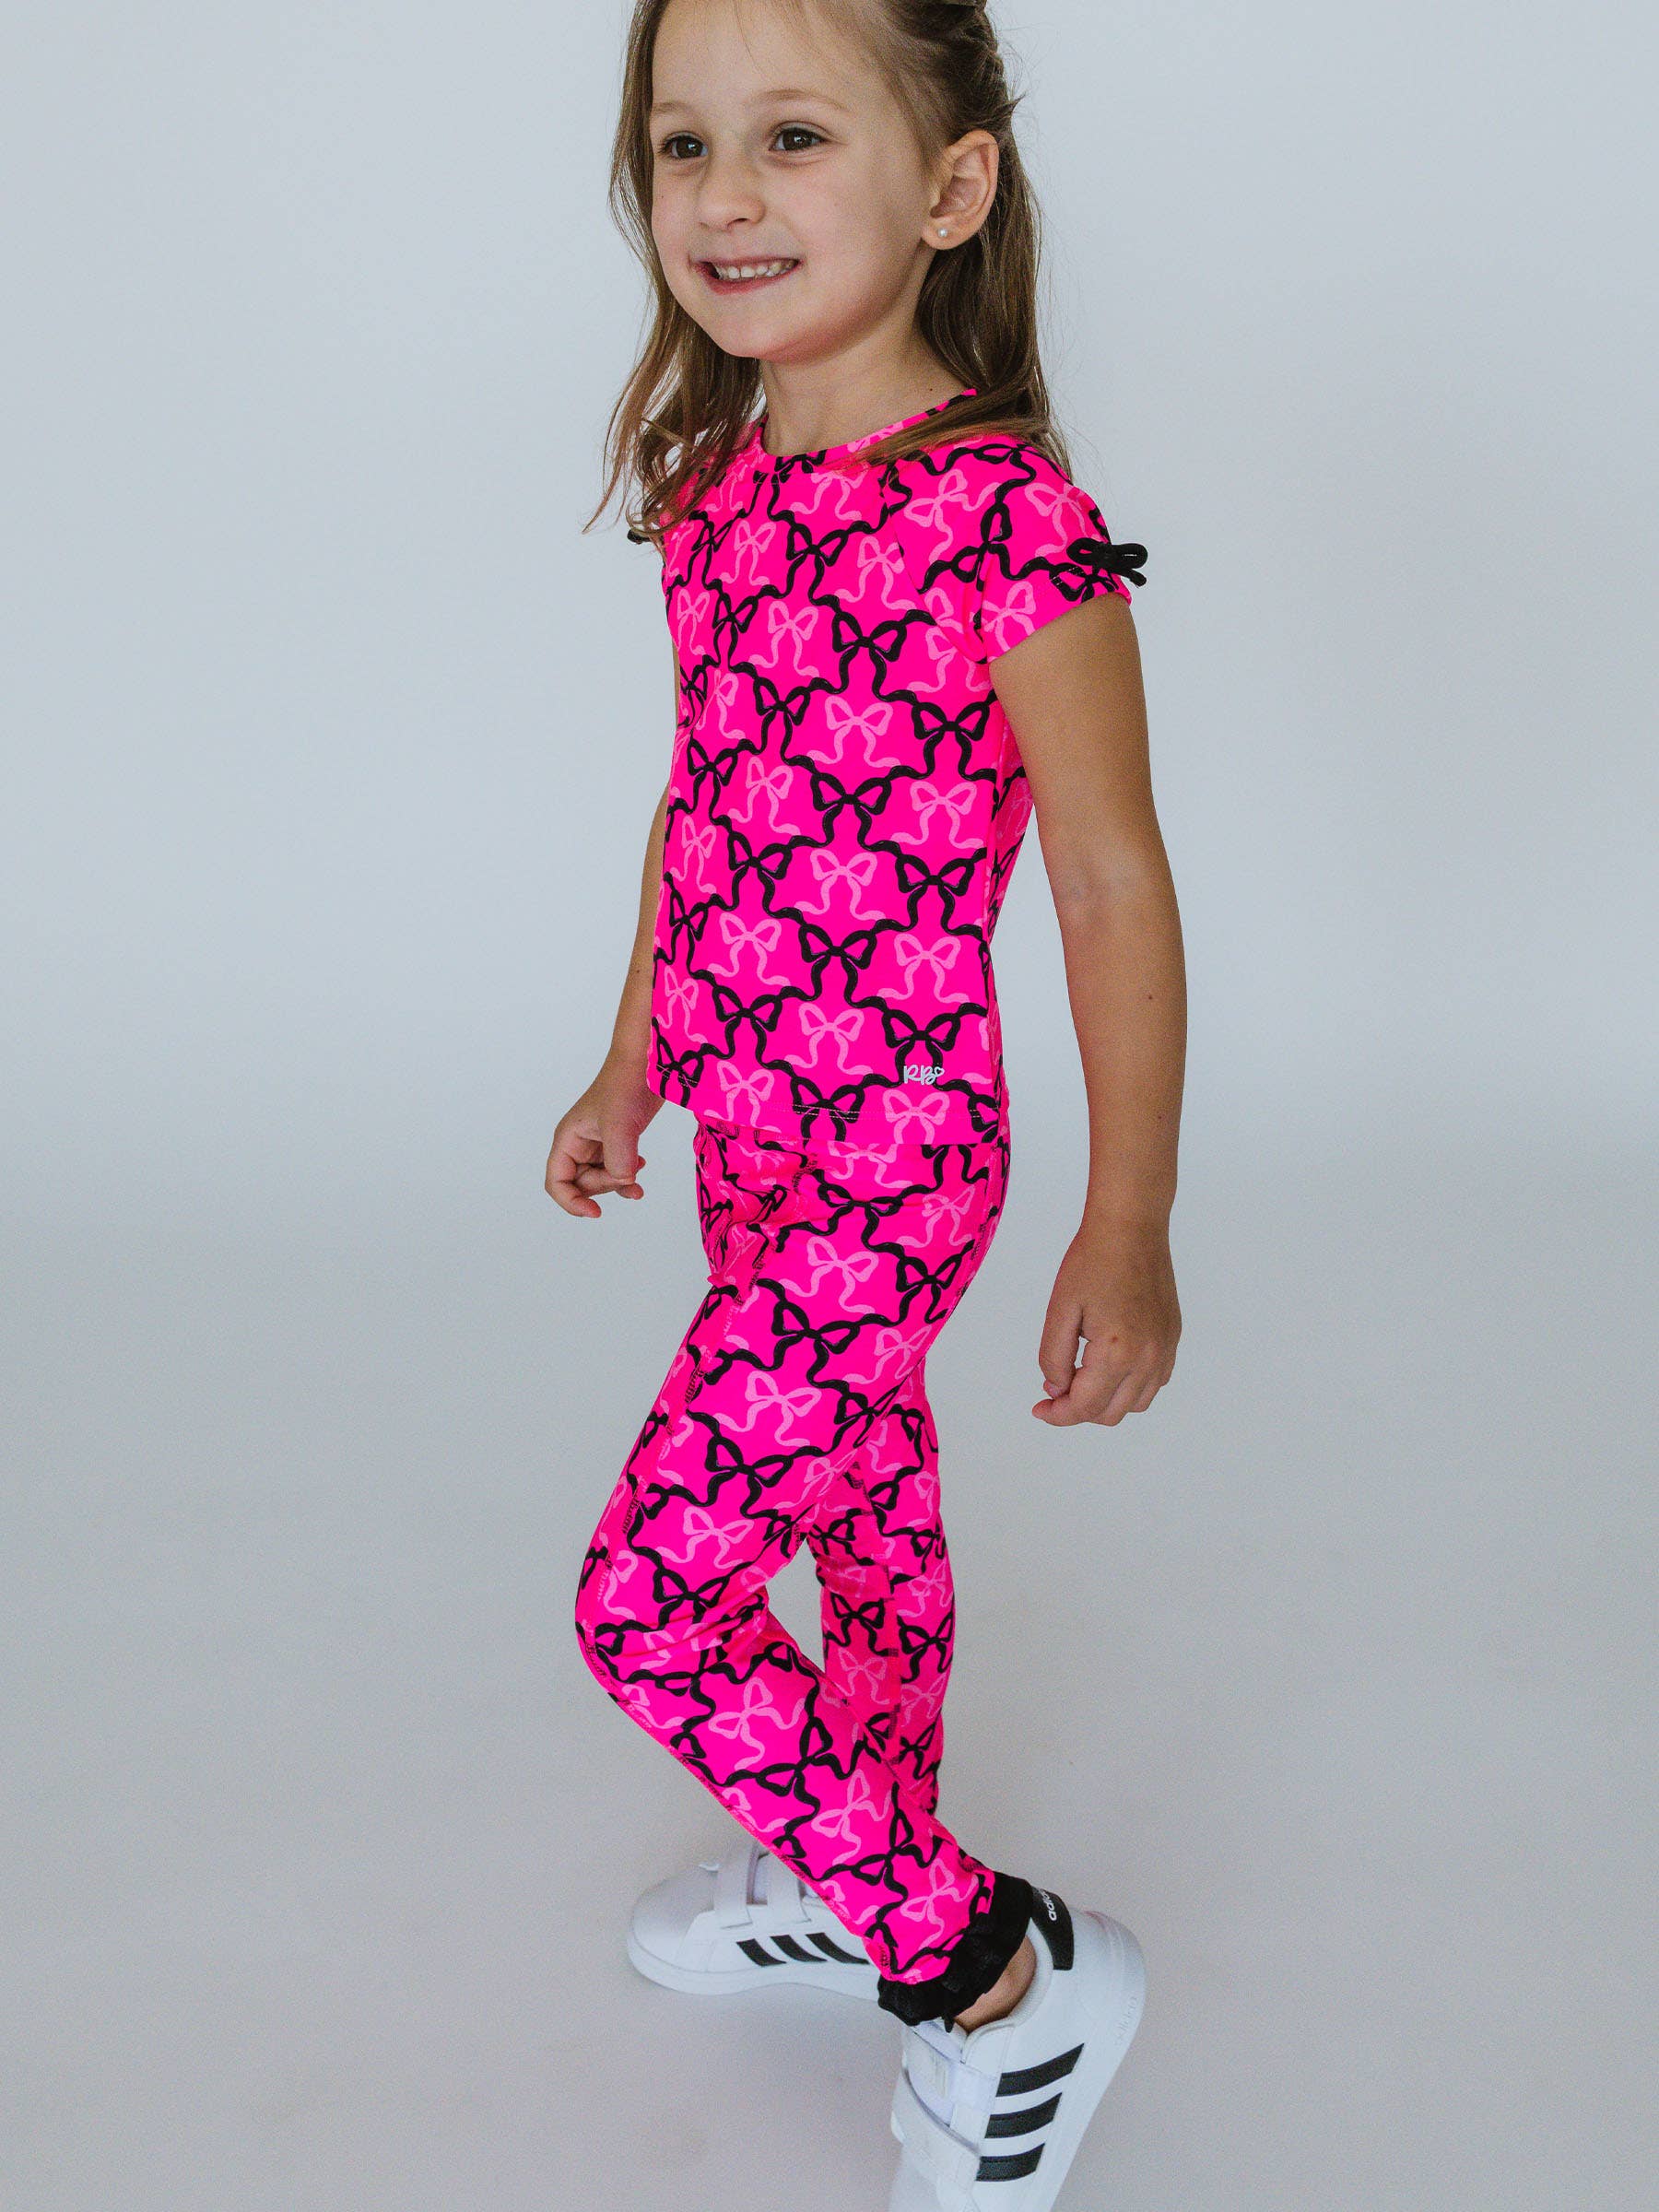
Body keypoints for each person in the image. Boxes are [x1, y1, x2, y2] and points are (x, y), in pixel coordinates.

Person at [547, 2, 1184, 2204]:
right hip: (749, 1130)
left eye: (795, 137)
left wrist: (1127, 1221)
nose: (725, 194)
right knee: (861, 1524)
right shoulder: (722, 492)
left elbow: (1108, 882)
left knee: (650, 1606)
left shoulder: (1008, 523)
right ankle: (857, 1859)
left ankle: (996, 1977)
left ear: (950, 187)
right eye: (686, 143)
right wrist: (636, 1052)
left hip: (891, 1169)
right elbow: (708, 801)